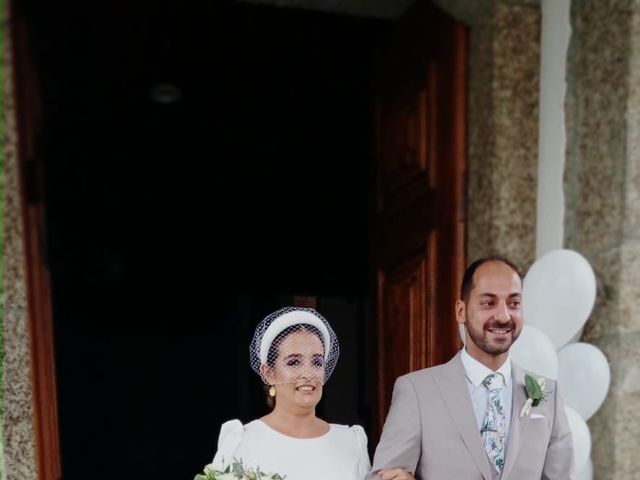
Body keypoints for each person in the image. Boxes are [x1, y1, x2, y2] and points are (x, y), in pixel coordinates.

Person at [370, 257, 574, 480]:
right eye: (488, 303)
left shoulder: (548, 396)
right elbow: (382, 476)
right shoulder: (417, 391)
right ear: (461, 311)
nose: (504, 316)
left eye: (513, 303)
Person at [212, 306, 371, 479]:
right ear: (268, 373)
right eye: (294, 362)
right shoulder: (242, 441)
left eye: (317, 362)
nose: (308, 373)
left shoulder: (351, 441)